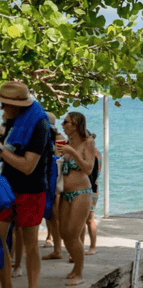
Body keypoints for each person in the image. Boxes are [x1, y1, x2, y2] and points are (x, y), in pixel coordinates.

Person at [0, 82, 52, 288]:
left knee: (31, 245)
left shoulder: (39, 126)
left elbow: (28, 166)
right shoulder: (13, 121)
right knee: (0, 240)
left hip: (31, 191)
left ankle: (33, 286)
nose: (2, 108)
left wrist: (1, 150)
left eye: (4, 105)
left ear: (17, 105)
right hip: (7, 189)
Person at [58, 112, 95, 286]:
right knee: (64, 234)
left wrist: (72, 153)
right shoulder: (66, 143)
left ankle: (79, 272)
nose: (62, 124)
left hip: (81, 192)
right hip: (65, 193)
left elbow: (88, 168)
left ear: (75, 124)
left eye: (65, 122)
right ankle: (74, 269)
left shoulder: (87, 142)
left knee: (73, 234)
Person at [42, 112, 66, 261]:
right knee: (51, 217)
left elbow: (60, 158)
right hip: (47, 175)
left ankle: (57, 249)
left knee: (53, 217)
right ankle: (55, 248)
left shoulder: (58, 138)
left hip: (52, 176)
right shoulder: (52, 136)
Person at [81, 131, 101, 256]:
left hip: (89, 187)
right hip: (95, 187)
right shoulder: (97, 151)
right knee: (89, 219)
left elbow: (90, 172)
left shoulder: (90, 152)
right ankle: (91, 246)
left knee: (86, 220)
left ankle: (87, 246)